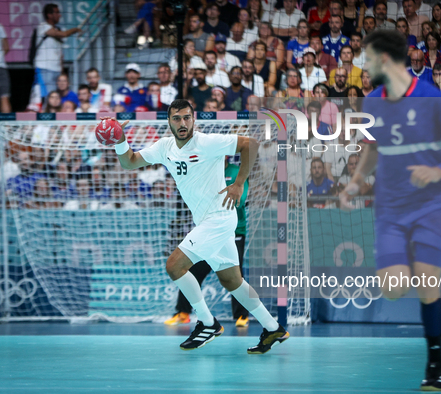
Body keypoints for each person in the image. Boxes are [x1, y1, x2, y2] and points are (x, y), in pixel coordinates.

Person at [339, 30, 441, 391]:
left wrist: (439, 170)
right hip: (390, 206)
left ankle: (436, 364)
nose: (365, 66)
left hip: (433, 202)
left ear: (385, 60)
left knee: (425, 278)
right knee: (393, 288)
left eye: (368, 59)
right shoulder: (372, 101)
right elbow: (371, 149)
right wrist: (356, 182)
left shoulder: (433, 98)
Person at [105, 99, 289, 353]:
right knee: (232, 280)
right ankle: (272, 328)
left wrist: (238, 183)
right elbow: (130, 162)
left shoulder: (206, 142)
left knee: (174, 265)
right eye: (177, 118)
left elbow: (251, 144)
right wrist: (119, 140)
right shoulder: (165, 147)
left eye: (187, 118)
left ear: (194, 120)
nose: (182, 123)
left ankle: (207, 323)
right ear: (169, 122)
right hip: (206, 220)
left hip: (219, 218)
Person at [165, 157, 251, 327]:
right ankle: (183, 312)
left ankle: (242, 316)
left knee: (236, 276)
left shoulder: (235, 173)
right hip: (210, 232)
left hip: (233, 232)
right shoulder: (207, 172)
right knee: (192, 270)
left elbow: (240, 200)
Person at [32, 4, 81, 99]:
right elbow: (64, 34)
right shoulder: (43, 26)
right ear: (49, 15)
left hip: (57, 71)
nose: (60, 15)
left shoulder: (58, 29)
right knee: (44, 97)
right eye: (57, 12)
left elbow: (60, 55)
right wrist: (75, 29)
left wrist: (62, 71)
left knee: (56, 99)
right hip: (44, 68)